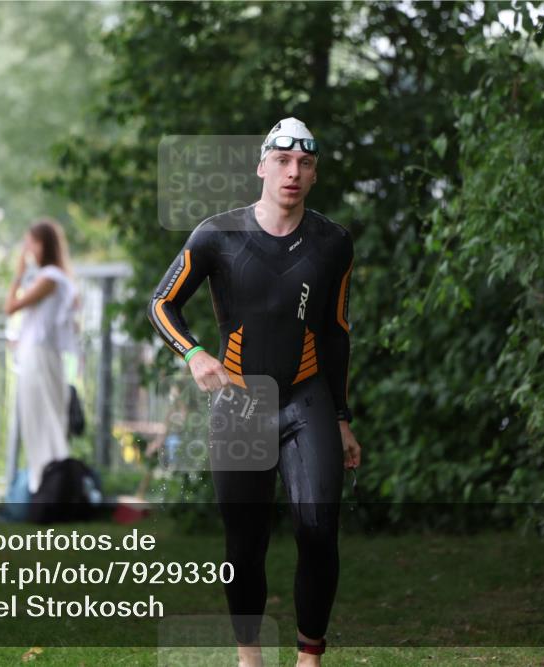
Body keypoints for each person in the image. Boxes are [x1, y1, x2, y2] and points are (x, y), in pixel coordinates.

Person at [148, 117, 362, 667]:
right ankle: (250, 657)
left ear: (314, 174)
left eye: (305, 164)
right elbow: (161, 303)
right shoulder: (217, 235)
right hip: (241, 403)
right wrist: (194, 353)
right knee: (244, 545)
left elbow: (337, 333)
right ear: (262, 165)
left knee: (317, 529)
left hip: (308, 399)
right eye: (284, 161)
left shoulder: (333, 243)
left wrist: (341, 417)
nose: (293, 173)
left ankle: (309, 656)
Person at [4, 219, 79, 495]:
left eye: (30, 242)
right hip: (46, 356)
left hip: (39, 358)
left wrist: (18, 274)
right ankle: (47, 487)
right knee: (46, 418)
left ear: (42, 244)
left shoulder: (49, 278)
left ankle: (48, 487)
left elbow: (10, 306)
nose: (27, 249)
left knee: (42, 420)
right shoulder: (61, 278)